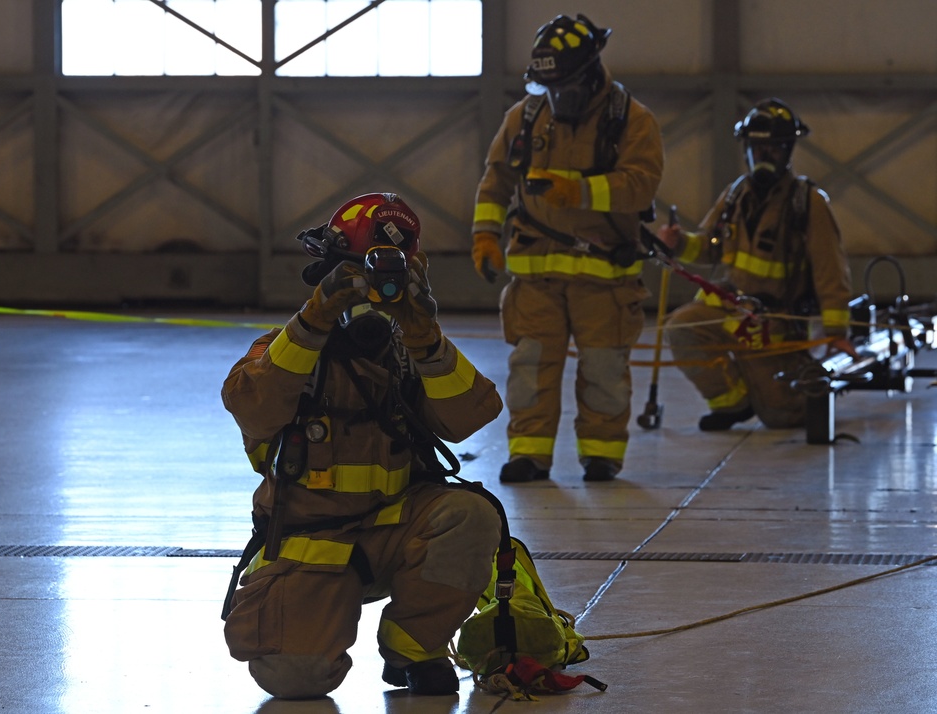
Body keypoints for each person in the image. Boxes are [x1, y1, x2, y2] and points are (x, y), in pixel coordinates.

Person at [221, 193, 503, 699]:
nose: (370, 298)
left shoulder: (407, 354)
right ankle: (300, 603)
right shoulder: (283, 349)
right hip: (312, 546)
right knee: (293, 678)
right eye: (356, 279)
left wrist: (425, 337)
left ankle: (414, 646)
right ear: (329, 272)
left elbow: (470, 416)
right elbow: (253, 407)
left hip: (396, 531)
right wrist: (314, 322)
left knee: (472, 514)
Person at [470, 14, 664, 483]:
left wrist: (576, 191)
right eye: (549, 86)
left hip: (604, 279)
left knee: (603, 369)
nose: (560, 95)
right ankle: (530, 455)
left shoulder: (631, 121)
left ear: (592, 70)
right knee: (530, 366)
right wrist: (485, 235)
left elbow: (640, 187)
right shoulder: (525, 118)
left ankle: (601, 456)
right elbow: (496, 182)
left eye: (568, 84)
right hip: (535, 279)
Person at [658, 98, 856, 431]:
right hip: (733, 310)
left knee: (783, 417)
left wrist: (836, 334)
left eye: (774, 149)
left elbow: (830, 271)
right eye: (756, 148)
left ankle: (782, 391)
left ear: (788, 150)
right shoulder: (736, 195)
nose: (763, 157)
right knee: (682, 328)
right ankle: (732, 405)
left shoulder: (807, 203)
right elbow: (709, 246)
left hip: (774, 326)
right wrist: (679, 244)